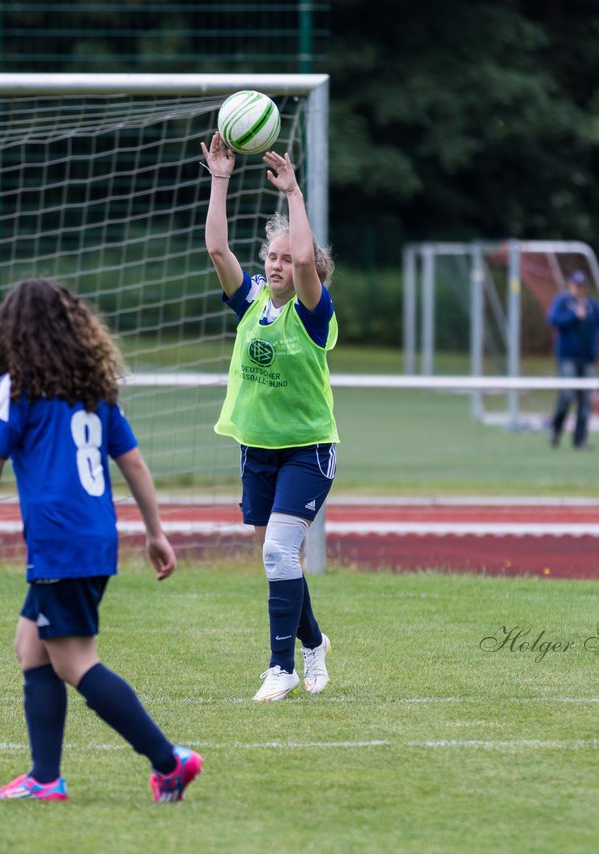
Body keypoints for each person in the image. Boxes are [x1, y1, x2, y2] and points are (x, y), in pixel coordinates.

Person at [0, 278, 202, 803]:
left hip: (60, 542)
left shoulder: (18, 386)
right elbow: (134, 463)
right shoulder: (93, 389)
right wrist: (155, 531)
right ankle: (45, 778)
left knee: (75, 662)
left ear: (12, 331)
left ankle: (169, 762)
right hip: (95, 536)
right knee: (31, 646)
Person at [200, 131, 336, 703]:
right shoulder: (252, 301)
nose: (280, 263)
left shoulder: (312, 312)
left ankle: (281, 667)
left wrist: (294, 193)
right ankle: (315, 643)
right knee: (275, 558)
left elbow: (307, 255)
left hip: (308, 447)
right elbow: (216, 251)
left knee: (280, 553)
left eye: (287, 258)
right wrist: (220, 179)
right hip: (257, 447)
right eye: (272, 257)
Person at [547, 269, 599, 450]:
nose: (579, 289)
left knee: (586, 401)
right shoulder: (563, 302)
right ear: (571, 286)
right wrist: (573, 316)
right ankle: (555, 429)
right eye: (576, 285)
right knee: (567, 394)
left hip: (588, 359)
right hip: (567, 357)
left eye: (582, 285)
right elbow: (553, 320)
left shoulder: (593, 305)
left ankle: (580, 440)